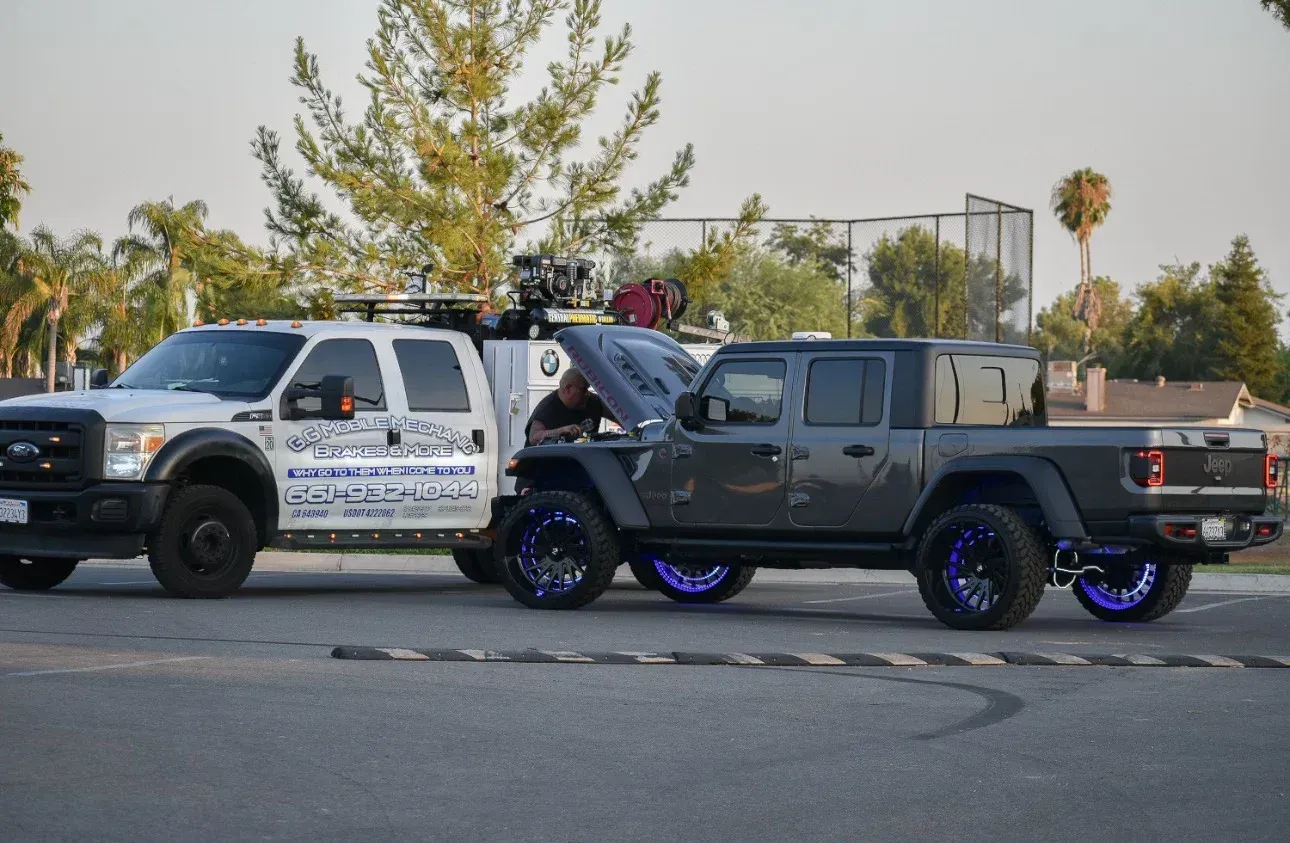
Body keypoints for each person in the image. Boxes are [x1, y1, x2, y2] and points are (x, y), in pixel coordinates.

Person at [525, 369, 616, 445]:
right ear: (568, 388)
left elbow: (618, 416)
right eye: (583, 389)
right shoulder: (547, 408)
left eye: (588, 389)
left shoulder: (593, 402)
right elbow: (534, 437)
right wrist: (561, 431)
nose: (587, 394)